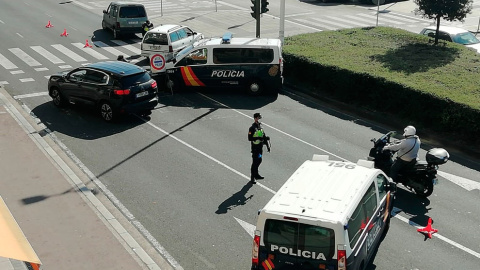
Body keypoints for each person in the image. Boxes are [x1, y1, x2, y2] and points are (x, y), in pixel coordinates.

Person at [248, 113, 270, 184]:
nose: (259, 119)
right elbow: (250, 138)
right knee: (255, 162)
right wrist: (258, 138)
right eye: (258, 118)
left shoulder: (260, 126)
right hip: (255, 148)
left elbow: (263, 136)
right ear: (255, 118)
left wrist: (267, 144)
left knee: (259, 160)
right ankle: (252, 177)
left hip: (260, 148)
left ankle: (256, 174)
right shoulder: (252, 128)